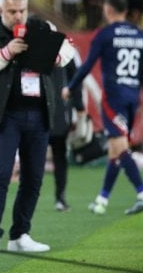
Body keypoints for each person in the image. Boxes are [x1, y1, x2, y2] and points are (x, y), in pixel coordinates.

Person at [0, 0, 75, 253]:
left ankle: (20, 235)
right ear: (0, 10)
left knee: (34, 177)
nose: (18, 16)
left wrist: (57, 57)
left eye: (22, 11)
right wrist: (6, 53)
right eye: (12, 11)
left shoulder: (41, 26)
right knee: (1, 174)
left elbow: (68, 48)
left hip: (39, 114)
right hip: (5, 115)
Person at [62, 0, 143, 216]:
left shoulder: (105, 34)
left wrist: (70, 87)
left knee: (120, 149)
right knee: (115, 150)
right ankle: (102, 200)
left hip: (114, 99)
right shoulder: (139, 35)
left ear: (108, 10)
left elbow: (86, 66)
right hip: (133, 99)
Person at [48, 59, 84, 212]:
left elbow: (75, 79)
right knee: (31, 158)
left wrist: (79, 106)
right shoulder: (31, 44)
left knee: (60, 154)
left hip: (59, 111)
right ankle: (28, 200)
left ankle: (60, 197)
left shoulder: (66, 51)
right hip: (38, 110)